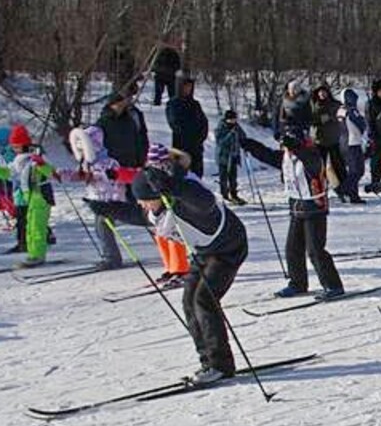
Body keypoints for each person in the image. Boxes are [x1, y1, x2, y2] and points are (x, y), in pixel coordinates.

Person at [132, 148, 249, 384]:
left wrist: (173, 187)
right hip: (204, 253)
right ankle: (207, 362)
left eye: (145, 201)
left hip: (228, 250)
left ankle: (221, 365)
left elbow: (204, 201)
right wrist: (108, 210)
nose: (142, 205)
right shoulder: (161, 207)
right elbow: (136, 215)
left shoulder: (187, 195)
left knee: (204, 300)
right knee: (189, 302)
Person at [242, 127, 344, 300]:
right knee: (292, 248)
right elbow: (267, 155)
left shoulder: (312, 154)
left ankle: (333, 285)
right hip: (297, 207)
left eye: (288, 144)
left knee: (315, 250)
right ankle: (297, 283)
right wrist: (249, 144)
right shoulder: (287, 157)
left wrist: (296, 145)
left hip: (314, 208)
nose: (285, 149)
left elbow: (309, 159)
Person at [67, 124, 129, 269]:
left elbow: (112, 179)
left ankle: (112, 258)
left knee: (104, 228)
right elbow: (84, 177)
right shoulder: (88, 164)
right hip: (98, 201)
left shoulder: (106, 162)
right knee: (99, 228)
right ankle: (108, 255)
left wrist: (110, 197)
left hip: (108, 201)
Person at [4, 124, 57, 267]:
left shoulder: (35, 158)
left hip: (41, 196)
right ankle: (32, 252)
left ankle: (38, 254)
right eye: (13, 147)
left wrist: (40, 164)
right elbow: (10, 174)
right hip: (29, 198)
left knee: (37, 227)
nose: (14, 150)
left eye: (17, 146)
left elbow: (51, 172)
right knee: (30, 227)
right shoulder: (18, 161)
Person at [166, 72, 208, 176]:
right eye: (185, 86)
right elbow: (174, 123)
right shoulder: (173, 104)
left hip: (196, 148)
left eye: (190, 87)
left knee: (197, 176)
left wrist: (200, 137)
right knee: (182, 177)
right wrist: (189, 133)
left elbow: (204, 122)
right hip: (181, 147)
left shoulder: (195, 104)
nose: (188, 89)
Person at [310, 83, 347, 195]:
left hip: (333, 139)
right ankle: (320, 188)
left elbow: (341, 113)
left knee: (338, 164)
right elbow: (311, 119)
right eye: (320, 92)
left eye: (324, 92)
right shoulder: (313, 105)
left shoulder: (334, 104)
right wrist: (323, 118)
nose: (322, 94)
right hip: (319, 140)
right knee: (319, 167)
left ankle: (344, 187)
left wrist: (332, 116)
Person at [98, 91, 150, 168]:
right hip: (114, 165)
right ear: (111, 105)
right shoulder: (104, 121)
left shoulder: (130, 118)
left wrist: (143, 157)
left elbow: (140, 138)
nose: (120, 107)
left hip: (134, 163)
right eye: (117, 105)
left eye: (122, 105)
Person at [337, 88, 367, 204]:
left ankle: (353, 195)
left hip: (344, 143)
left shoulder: (340, 110)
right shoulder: (351, 110)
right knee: (357, 171)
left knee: (353, 171)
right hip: (353, 143)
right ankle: (343, 189)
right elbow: (361, 124)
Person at [214, 110, 247, 205]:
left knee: (233, 177)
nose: (234, 121)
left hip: (233, 155)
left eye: (235, 119)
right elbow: (220, 142)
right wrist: (230, 134)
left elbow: (243, 136)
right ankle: (224, 195)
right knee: (223, 176)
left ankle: (234, 194)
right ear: (227, 119)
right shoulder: (220, 128)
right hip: (223, 156)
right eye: (232, 119)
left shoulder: (236, 127)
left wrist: (245, 143)